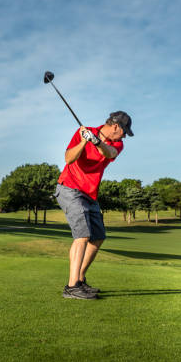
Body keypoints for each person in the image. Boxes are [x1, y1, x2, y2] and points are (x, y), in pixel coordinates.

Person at [54, 111, 133, 299]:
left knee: (98, 237)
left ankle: (80, 280)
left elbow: (109, 152)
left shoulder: (117, 144)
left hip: (90, 193)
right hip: (70, 188)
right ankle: (72, 287)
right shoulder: (83, 132)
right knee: (82, 235)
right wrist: (83, 141)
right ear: (116, 126)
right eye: (124, 131)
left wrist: (96, 142)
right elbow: (68, 158)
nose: (124, 136)